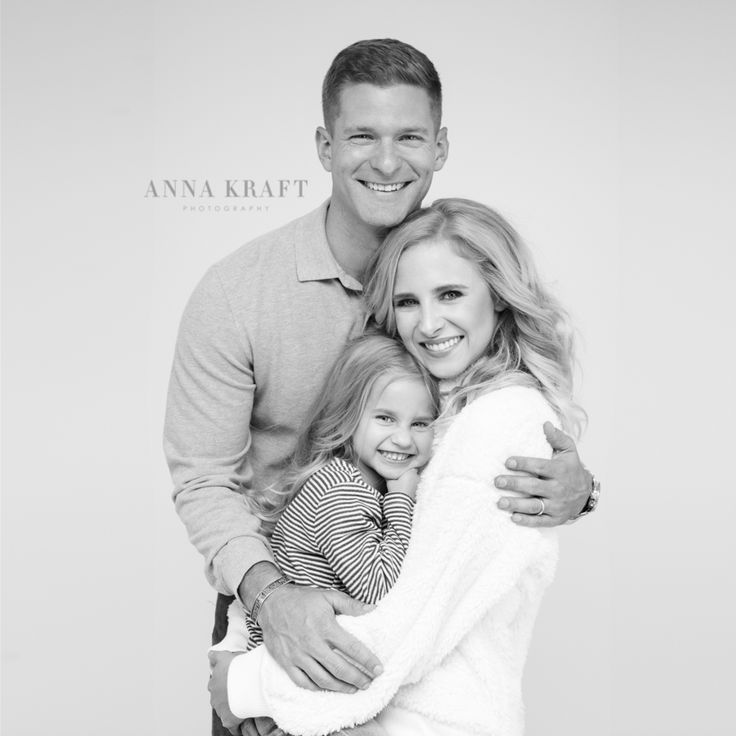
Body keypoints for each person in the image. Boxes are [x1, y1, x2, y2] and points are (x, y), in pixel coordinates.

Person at [164, 39, 596, 736]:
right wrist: (273, 606)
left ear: (441, 146)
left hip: (399, 611)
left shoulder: (450, 285)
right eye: (362, 135)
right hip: (271, 598)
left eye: (410, 137)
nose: (388, 161)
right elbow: (202, 479)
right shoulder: (236, 292)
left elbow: (475, 456)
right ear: (324, 145)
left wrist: (577, 488)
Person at [210, 199, 586, 736]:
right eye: (408, 301)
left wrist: (247, 685)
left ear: (500, 297)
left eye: (451, 294)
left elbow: (409, 619)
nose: (429, 324)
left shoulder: (502, 420)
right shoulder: (434, 409)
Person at [224, 333, 438, 653]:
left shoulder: (360, 480)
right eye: (385, 418)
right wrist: (402, 501)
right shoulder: (339, 492)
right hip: (294, 669)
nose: (404, 440)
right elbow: (378, 590)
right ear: (349, 416)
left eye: (420, 424)